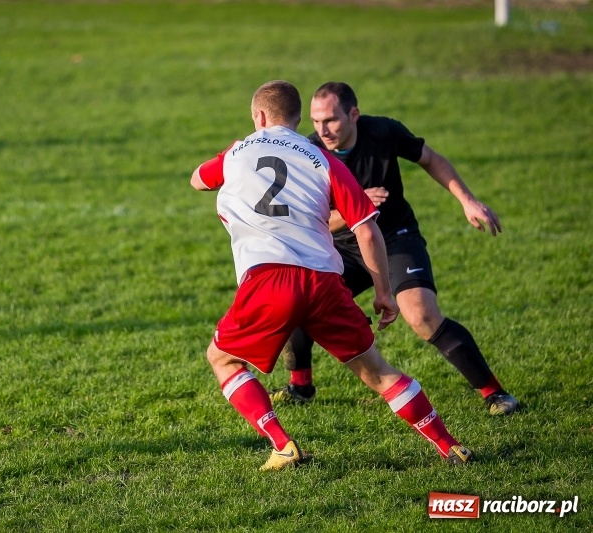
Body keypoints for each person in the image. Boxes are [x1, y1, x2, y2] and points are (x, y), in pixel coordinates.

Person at [190, 80, 474, 471]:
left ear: (259, 116)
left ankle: (282, 444)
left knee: (221, 359)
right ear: (298, 119)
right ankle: (450, 446)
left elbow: (197, 179)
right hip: (325, 282)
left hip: (268, 279)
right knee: (379, 373)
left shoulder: (238, 152)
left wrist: (232, 155)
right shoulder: (325, 160)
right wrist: (383, 293)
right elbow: (367, 230)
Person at [268, 81, 518, 416]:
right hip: (345, 247)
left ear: (353, 115)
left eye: (331, 120)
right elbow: (312, 220)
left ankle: (495, 393)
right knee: (297, 301)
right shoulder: (309, 152)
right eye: (315, 121)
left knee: (422, 315)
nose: (322, 130)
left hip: (396, 238)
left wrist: (467, 200)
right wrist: (356, 206)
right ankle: (300, 386)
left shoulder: (383, 132)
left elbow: (431, 159)